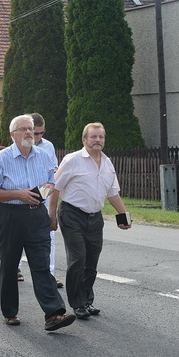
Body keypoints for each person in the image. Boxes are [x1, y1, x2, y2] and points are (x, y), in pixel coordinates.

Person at [0, 114, 75, 332]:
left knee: (41, 264)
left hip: (36, 214)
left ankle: (53, 313)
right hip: (10, 215)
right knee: (9, 265)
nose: (28, 133)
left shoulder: (44, 156)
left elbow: (52, 182)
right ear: (12, 134)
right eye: (23, 129)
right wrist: (19, 194)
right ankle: (10, 312)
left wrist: (45, 191)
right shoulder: (2, 159)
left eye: (31, 129)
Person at [49, 122, 131, 319]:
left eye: (101, 137)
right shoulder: (72, 160)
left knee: (92, 261)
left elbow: (112, 193)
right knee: (78, 258)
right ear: (84, 140)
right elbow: (55, 188)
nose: (97, 140)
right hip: (71, 214)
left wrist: (124, 215)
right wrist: (51, 215)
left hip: (95, 217)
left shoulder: (108, 163)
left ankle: (87, 300)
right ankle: (77, 303)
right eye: (93, 137)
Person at [28, 113, 62, 287]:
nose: (39, 137)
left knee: (49, 234)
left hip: (44, 194)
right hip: (25, 196)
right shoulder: (20, 146)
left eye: (41, 133)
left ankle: (50, 273)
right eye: (36, 133)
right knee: (21, 236)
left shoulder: (48, 146)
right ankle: (16, 268)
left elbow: (54, 169)